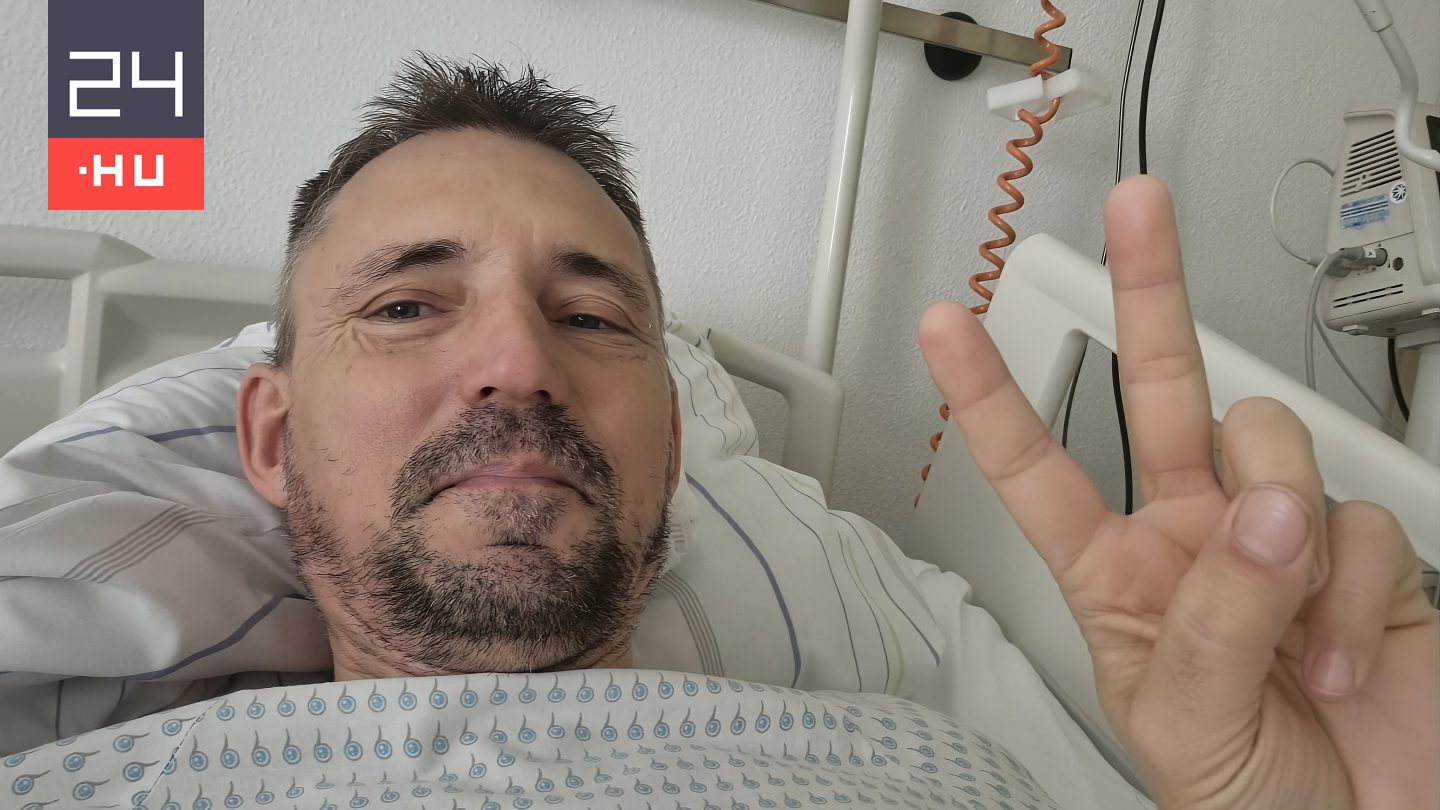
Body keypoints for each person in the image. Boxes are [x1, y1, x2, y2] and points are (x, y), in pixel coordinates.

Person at [222, 53, 1437, 809]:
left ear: (674, 450)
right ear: (271, 440)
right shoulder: (137, 782)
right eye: (406, 306)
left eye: (590, 317)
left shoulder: (938, 770)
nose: (521, 365)